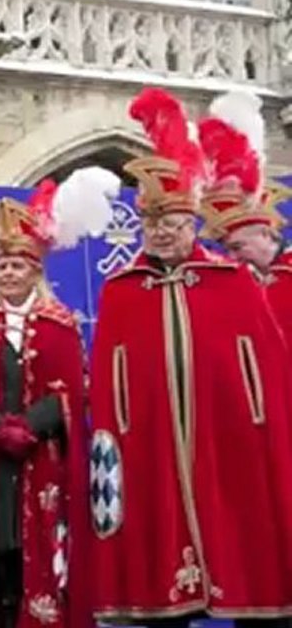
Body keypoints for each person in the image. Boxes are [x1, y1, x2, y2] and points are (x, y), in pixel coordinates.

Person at [86, 87, 292, 626]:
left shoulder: (231, 283)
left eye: (172, 224)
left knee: (249, 560)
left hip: (231, 443)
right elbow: (109, 382)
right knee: (160, 585)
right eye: (152, 225)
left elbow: (267, 367)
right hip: (148, 446)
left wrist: (259, 424)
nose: (161, 234)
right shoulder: (121, 290)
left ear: (193, 226)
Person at [0, 170, 114, 628]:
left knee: (34, 550)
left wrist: (29, 427)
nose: (9, 274)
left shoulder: (60, 323)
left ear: (35, 271)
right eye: (2, 266)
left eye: (17, 266)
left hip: (41, 458)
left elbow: (70, 389)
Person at [195, 91, 292, 342]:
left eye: (238, 246)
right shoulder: (245, 283)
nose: (233, 257)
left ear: (265, 233)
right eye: (229, 249)